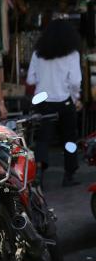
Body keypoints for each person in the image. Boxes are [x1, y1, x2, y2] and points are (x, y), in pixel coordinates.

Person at [27, 19, 82, 187]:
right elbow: (75, 81)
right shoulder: (72, 54)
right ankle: (69, 174)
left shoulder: (37, 53)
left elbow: (30, 79)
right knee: (69, 138)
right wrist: (75, 97)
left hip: (43, 101)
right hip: (65, 100)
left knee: (43, 138)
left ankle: (39, 173)